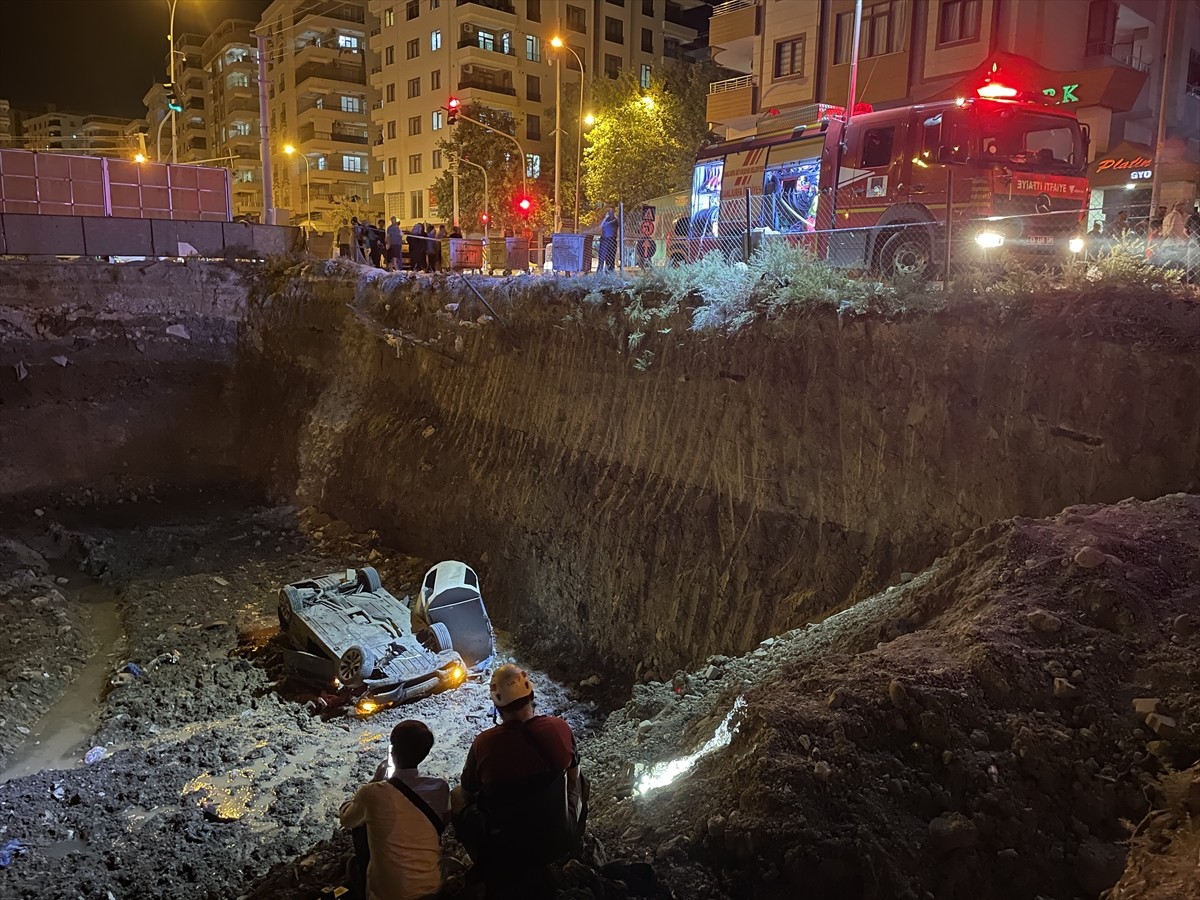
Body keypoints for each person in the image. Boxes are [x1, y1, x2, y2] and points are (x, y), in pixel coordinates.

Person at [452, 664, 586, 899]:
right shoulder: (560, 728)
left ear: (497, 706)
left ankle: (484, 860)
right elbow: (574, 779)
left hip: (505, 848)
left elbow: (467, 794)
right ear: (531, 695)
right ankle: (574, 841)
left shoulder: (484, 744)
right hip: (555, 837)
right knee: (580, 778)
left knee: (455, 797)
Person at [340, 720, 450, 900]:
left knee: (361, 826)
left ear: (392, 750)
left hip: (389, 894)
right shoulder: (440, 788)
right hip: (433, 886)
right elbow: (444, 822)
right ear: (426, 753)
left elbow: (347, 819)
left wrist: (374, 781)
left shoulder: (373, 793)